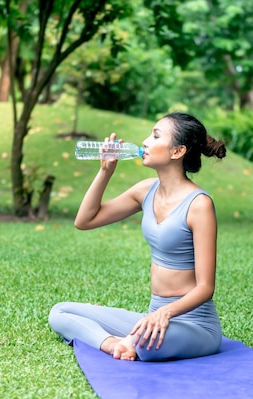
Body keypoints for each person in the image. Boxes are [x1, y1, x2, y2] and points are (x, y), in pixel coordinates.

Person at [49, 112, 227, 362]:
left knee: (144, 344)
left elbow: (206, 288)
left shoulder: (199, 205)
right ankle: (113, 345)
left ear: (177, 152)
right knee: (60, 312)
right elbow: (85, 221)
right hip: (153, 316)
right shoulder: (146, 190)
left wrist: (165, 314)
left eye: (155, 136)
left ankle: (131, 341)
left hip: (194, 325)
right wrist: (105, 172)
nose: (145, 142)